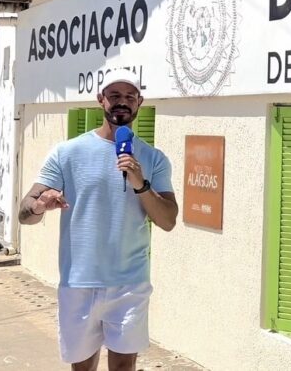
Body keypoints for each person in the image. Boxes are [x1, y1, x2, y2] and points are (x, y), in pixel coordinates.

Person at [18, 69, 178, 371]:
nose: (122, 102)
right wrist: (40, 205)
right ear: (100, 100)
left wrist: (141, 183)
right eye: (114, 95)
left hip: (129, 282)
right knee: (82, 368)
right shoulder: (67, 153)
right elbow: (24, 212)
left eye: (129, 96)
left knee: (123, 367)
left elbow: (168, 220)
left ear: (140, 102)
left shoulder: (153, 158)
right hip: (78, 281)